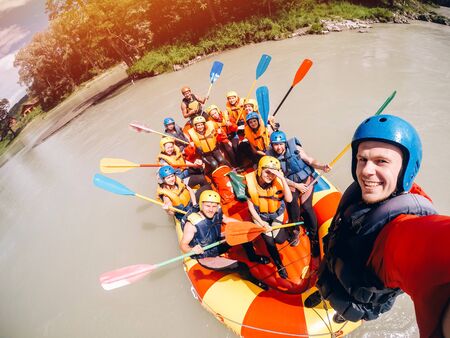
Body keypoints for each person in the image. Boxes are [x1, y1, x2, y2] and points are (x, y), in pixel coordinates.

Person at [304, 115, 450, 337]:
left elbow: (435, 248)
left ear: (405, 171)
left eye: (381, 161)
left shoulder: (399, 231)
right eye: (362, 159)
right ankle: (323, 293)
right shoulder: (358, 196)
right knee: (325, 282)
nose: (366, 171)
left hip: (354, 298)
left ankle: (341, 315)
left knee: (344, 310)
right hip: (333, 271)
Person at [180, 190, 269, 290]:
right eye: (207, 206)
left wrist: (244, 226)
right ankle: (254, 281)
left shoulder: (217, 212)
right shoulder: (192, 224)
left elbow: (226, 220)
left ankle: (252, 257)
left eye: (214, 206)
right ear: (201, 205)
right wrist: (192, 250)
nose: (211, 209)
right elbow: (183, 244)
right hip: (205, 255)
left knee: (242, 235)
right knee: (241, 266)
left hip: (216, 242)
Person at [266, 130, 330, 253]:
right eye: (276, 144)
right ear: (272, 145)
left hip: (305, 179)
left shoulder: (296, 148)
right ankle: (295, 229)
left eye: (281, 144)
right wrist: (296, 185)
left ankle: (314, 237)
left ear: (285, 143)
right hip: (290, 183)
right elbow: (279, 177)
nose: (279, 147)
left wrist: (322, 166)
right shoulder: (270, 157)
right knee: (292, 203)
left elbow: (310, 161)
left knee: (307, 207)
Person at [245, 156, 293, 279]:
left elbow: (289, 199)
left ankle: (287, 231)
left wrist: (282, 178)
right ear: (260, 169)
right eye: (267, 172)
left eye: (273, 174)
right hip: (260, 216)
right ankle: (279, 265)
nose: (270, 176)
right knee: (270, 242)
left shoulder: (278, 181)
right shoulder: (250, 184)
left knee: (280, 240)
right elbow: (251, 208)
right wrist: (262, 223)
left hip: (276, 213)